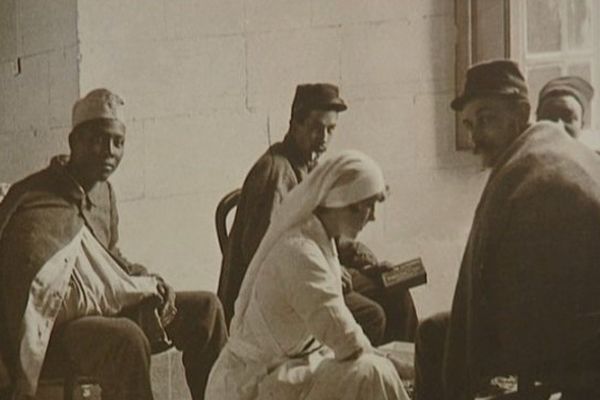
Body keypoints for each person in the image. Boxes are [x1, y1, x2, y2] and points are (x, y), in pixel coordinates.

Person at [0, 89, 227, 400]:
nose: (109, 151)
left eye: (118, 142)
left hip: (105, 306)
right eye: (97, 139)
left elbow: (110, 258)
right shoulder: (32, 197)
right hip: (55, 328)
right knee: (127, 339)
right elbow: (19, 278)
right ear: (73, 141)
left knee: (206, 309)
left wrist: (147, 279)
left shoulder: (104, 193)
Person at [414, 60, 600, 400]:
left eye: (486, 120)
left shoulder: (537, 172)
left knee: (436, 339)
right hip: (572, 335)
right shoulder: (551, 153)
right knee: (438, 333)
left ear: (522, 113)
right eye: (470, 125)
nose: (475, 140)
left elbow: (524, 312)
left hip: (572, 352)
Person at [218, 83, 417, 344]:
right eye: (315, 127)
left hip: (316, 268)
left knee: (397, 290)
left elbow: (326, 229)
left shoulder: (311, 167)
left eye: (330, 129)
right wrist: (330, 268)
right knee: (371, 315)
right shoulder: (274, 173)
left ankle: (409, 378)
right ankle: (354, 378)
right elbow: (264, 251)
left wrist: (362, 260)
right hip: (277, 293)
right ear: (295, 124)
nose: (323, 138)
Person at [206, 150, 411, 400]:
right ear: (343, 203)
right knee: (372, 371)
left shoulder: (318, 239)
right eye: (369, 206)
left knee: (374, 369)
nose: (374, 216)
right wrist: (398, 366)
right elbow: (346, 341)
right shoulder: (300, 252)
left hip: (288, 370)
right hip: (253, 385)